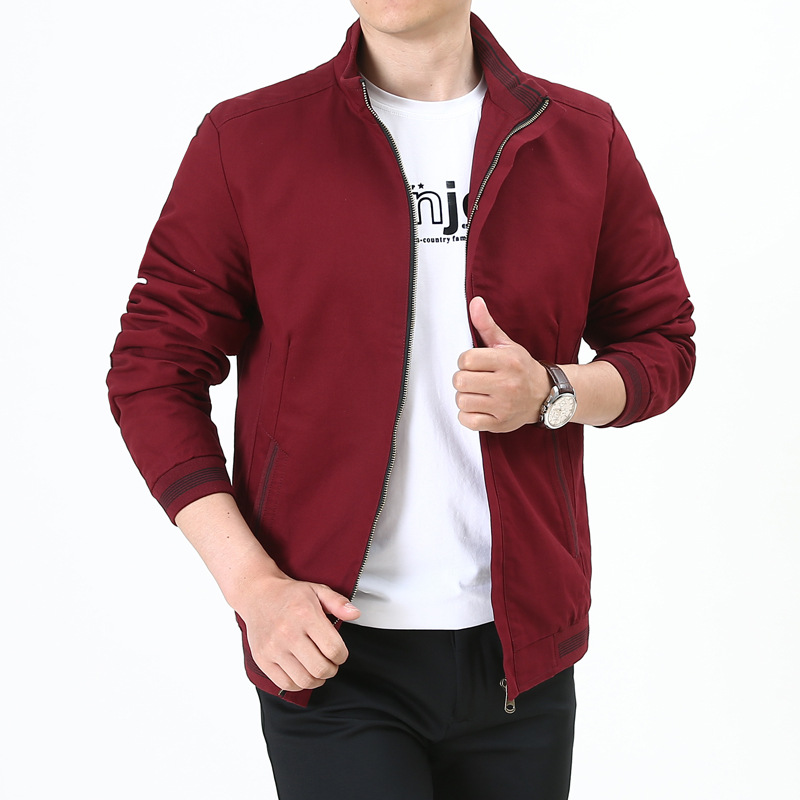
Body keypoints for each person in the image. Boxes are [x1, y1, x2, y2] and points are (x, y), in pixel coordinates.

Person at [108, 2, 695, 797]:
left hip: (521, 658)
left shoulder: (579, 137)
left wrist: (552, 392)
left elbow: (662, 340)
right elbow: (152, 368)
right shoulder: (249, 141)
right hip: (328, 652)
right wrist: (254, 589)